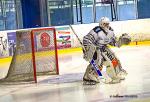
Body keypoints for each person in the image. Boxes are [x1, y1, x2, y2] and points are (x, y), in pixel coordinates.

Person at [82, 17, 131, 85]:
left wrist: (121, 41)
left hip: (103, 48)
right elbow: (87, 39)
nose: (107, 25)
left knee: (114, 59)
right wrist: (88, 48)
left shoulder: (110, 31)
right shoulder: (96, 30)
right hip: (95, 49)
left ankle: (116, 73)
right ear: (101, 24)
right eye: (105, 24)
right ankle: (89, 76)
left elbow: (113, 42)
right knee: (98, 61)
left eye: (107, 24)